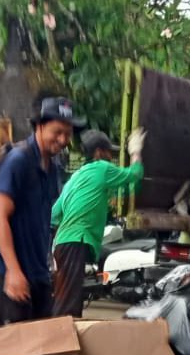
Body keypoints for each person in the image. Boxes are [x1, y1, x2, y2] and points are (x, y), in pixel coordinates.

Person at [0, 97, 75, 325]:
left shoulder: (53, 168)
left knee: (41, 343)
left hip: (37, 271)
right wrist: (13, 271)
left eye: (68, 134)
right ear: (39, 126)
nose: (63, 139)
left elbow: (43, 221)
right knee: (17, 349)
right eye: (57, 132)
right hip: (13, 268)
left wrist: (51, 266)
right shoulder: (18, 161)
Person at [51, 128, 144, 318]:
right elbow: (134, 174)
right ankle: (62, 343)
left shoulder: (75, 178)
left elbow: (54, 214)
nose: (111, 157)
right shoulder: (102, 168)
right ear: (100, 152)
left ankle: (64, 341)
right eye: (110, 152)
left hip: (62, 243)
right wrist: (135, 152)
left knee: (67, 297)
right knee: (68, 304)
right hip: (77, 241)